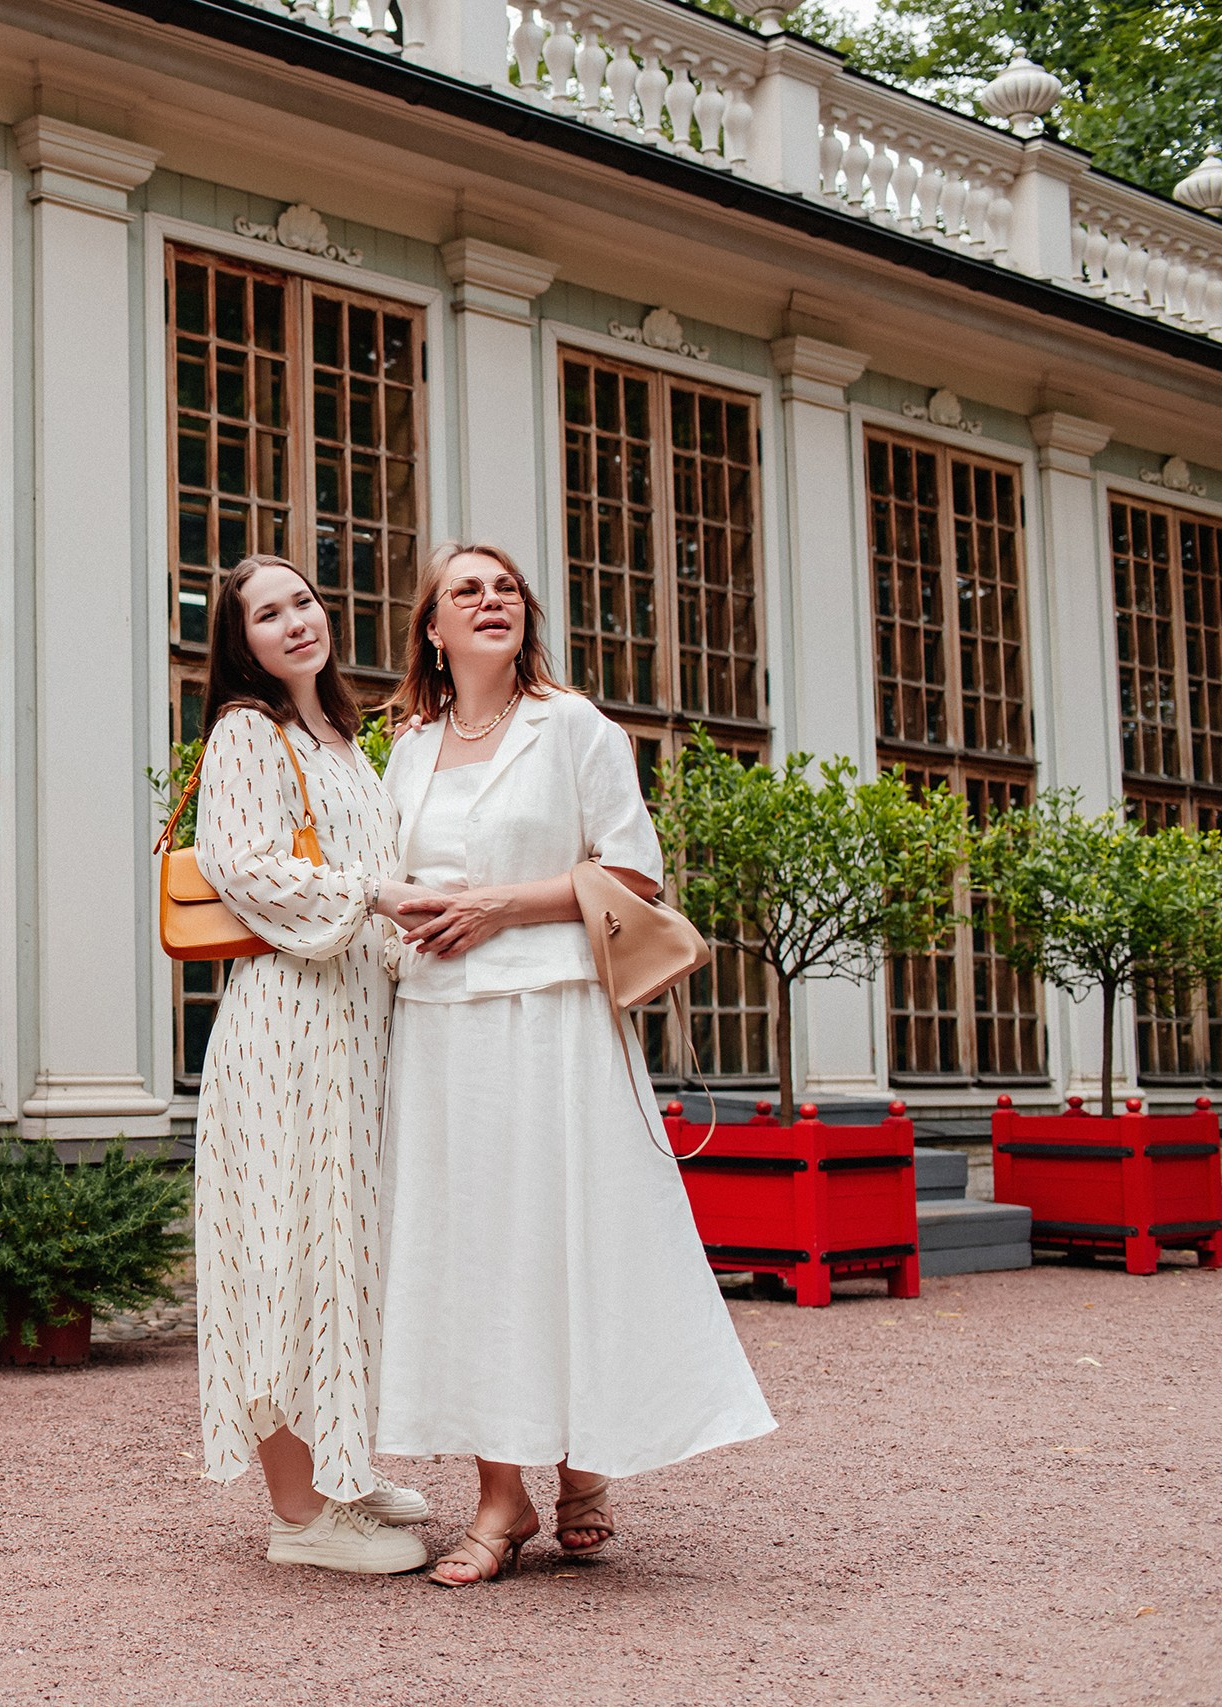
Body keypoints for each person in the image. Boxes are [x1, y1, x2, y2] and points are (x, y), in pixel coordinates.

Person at [372, 543, 775, 1585]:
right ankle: (501, 1497)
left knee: (562, 1239)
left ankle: (586, 1463)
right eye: (467, 590)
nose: (489, 600)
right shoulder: (408, 748)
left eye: (504, 588)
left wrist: (497, 905)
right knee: (469, 1261)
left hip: (551, 1018)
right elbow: (386, 878)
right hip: (437, 1026)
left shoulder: (574, 725)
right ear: (433, 629)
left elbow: (633, 866)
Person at [188, 553, 439, 1576]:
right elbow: (239, 864)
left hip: (349, 1034)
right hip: (288, 1036)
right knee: (289, 1255)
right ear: (238, 642)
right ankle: (300, 1517)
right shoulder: (247, 731)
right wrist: (376, 896)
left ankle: (340, 1463)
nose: (293, 622)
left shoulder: (337, 738)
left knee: (341, 1254)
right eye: (266, 614)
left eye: (300, 601)